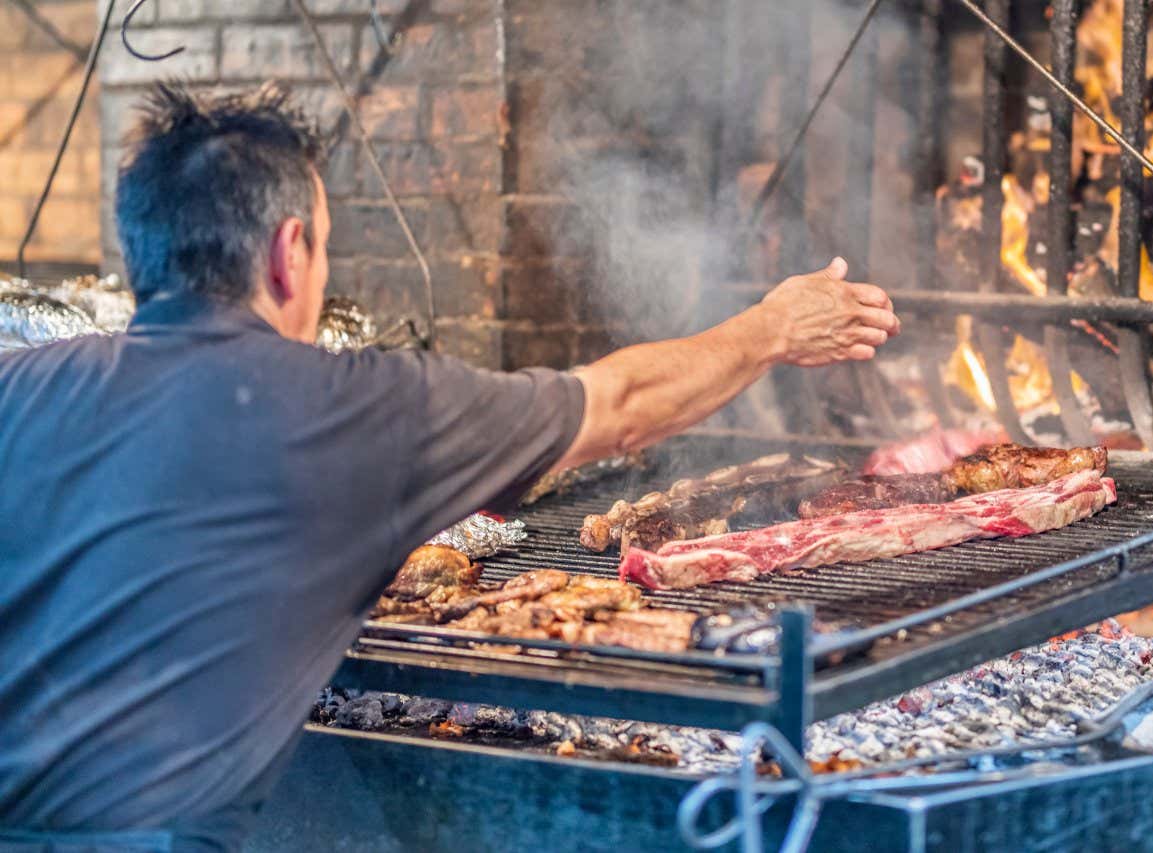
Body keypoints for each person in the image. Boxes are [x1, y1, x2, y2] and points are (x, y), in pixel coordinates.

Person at [0, 82, 900, 851]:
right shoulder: (357, 410)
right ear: (288, 251)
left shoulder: (22, 386)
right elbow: (621, 406)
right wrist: (774, 327)